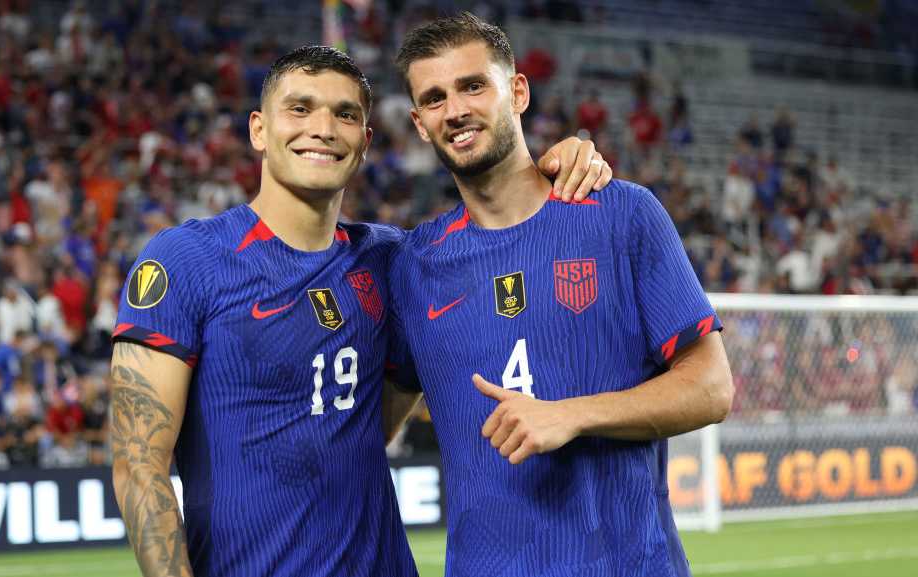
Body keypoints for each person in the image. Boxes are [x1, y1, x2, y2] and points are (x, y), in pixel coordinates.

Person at [110, 46, 612, 577]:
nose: (323, 129)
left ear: (365, 142)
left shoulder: (393, 260)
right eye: (300, 109)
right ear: (259, 129)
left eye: (345, 114)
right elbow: (139, 463)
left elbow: (497, 232)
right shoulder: (187, 260)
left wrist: (560, 164)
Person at [388, 13, 733, 576]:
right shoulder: (411, 265)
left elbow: (712, 388)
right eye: (434, 98)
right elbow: (367, 426)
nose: (455, 110)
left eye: (473, 86)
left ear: (518, 92)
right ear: (419, 124)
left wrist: (571, 415)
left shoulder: (621, 214)